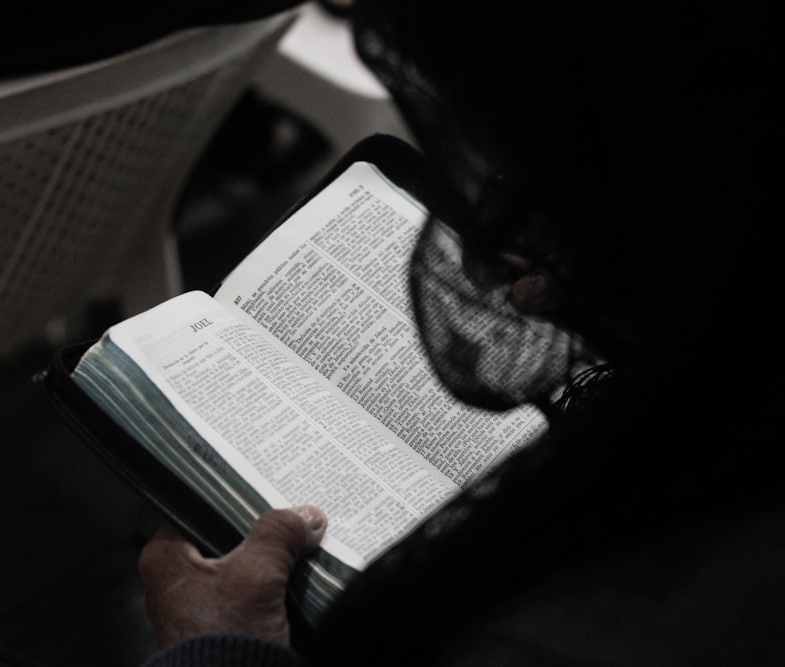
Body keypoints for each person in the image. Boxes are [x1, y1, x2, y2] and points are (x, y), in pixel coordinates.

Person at [137, 0, 784, 664]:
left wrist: (214, 648)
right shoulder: (731, 368)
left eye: (551, 201)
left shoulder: (583, 628)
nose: (490, 270)